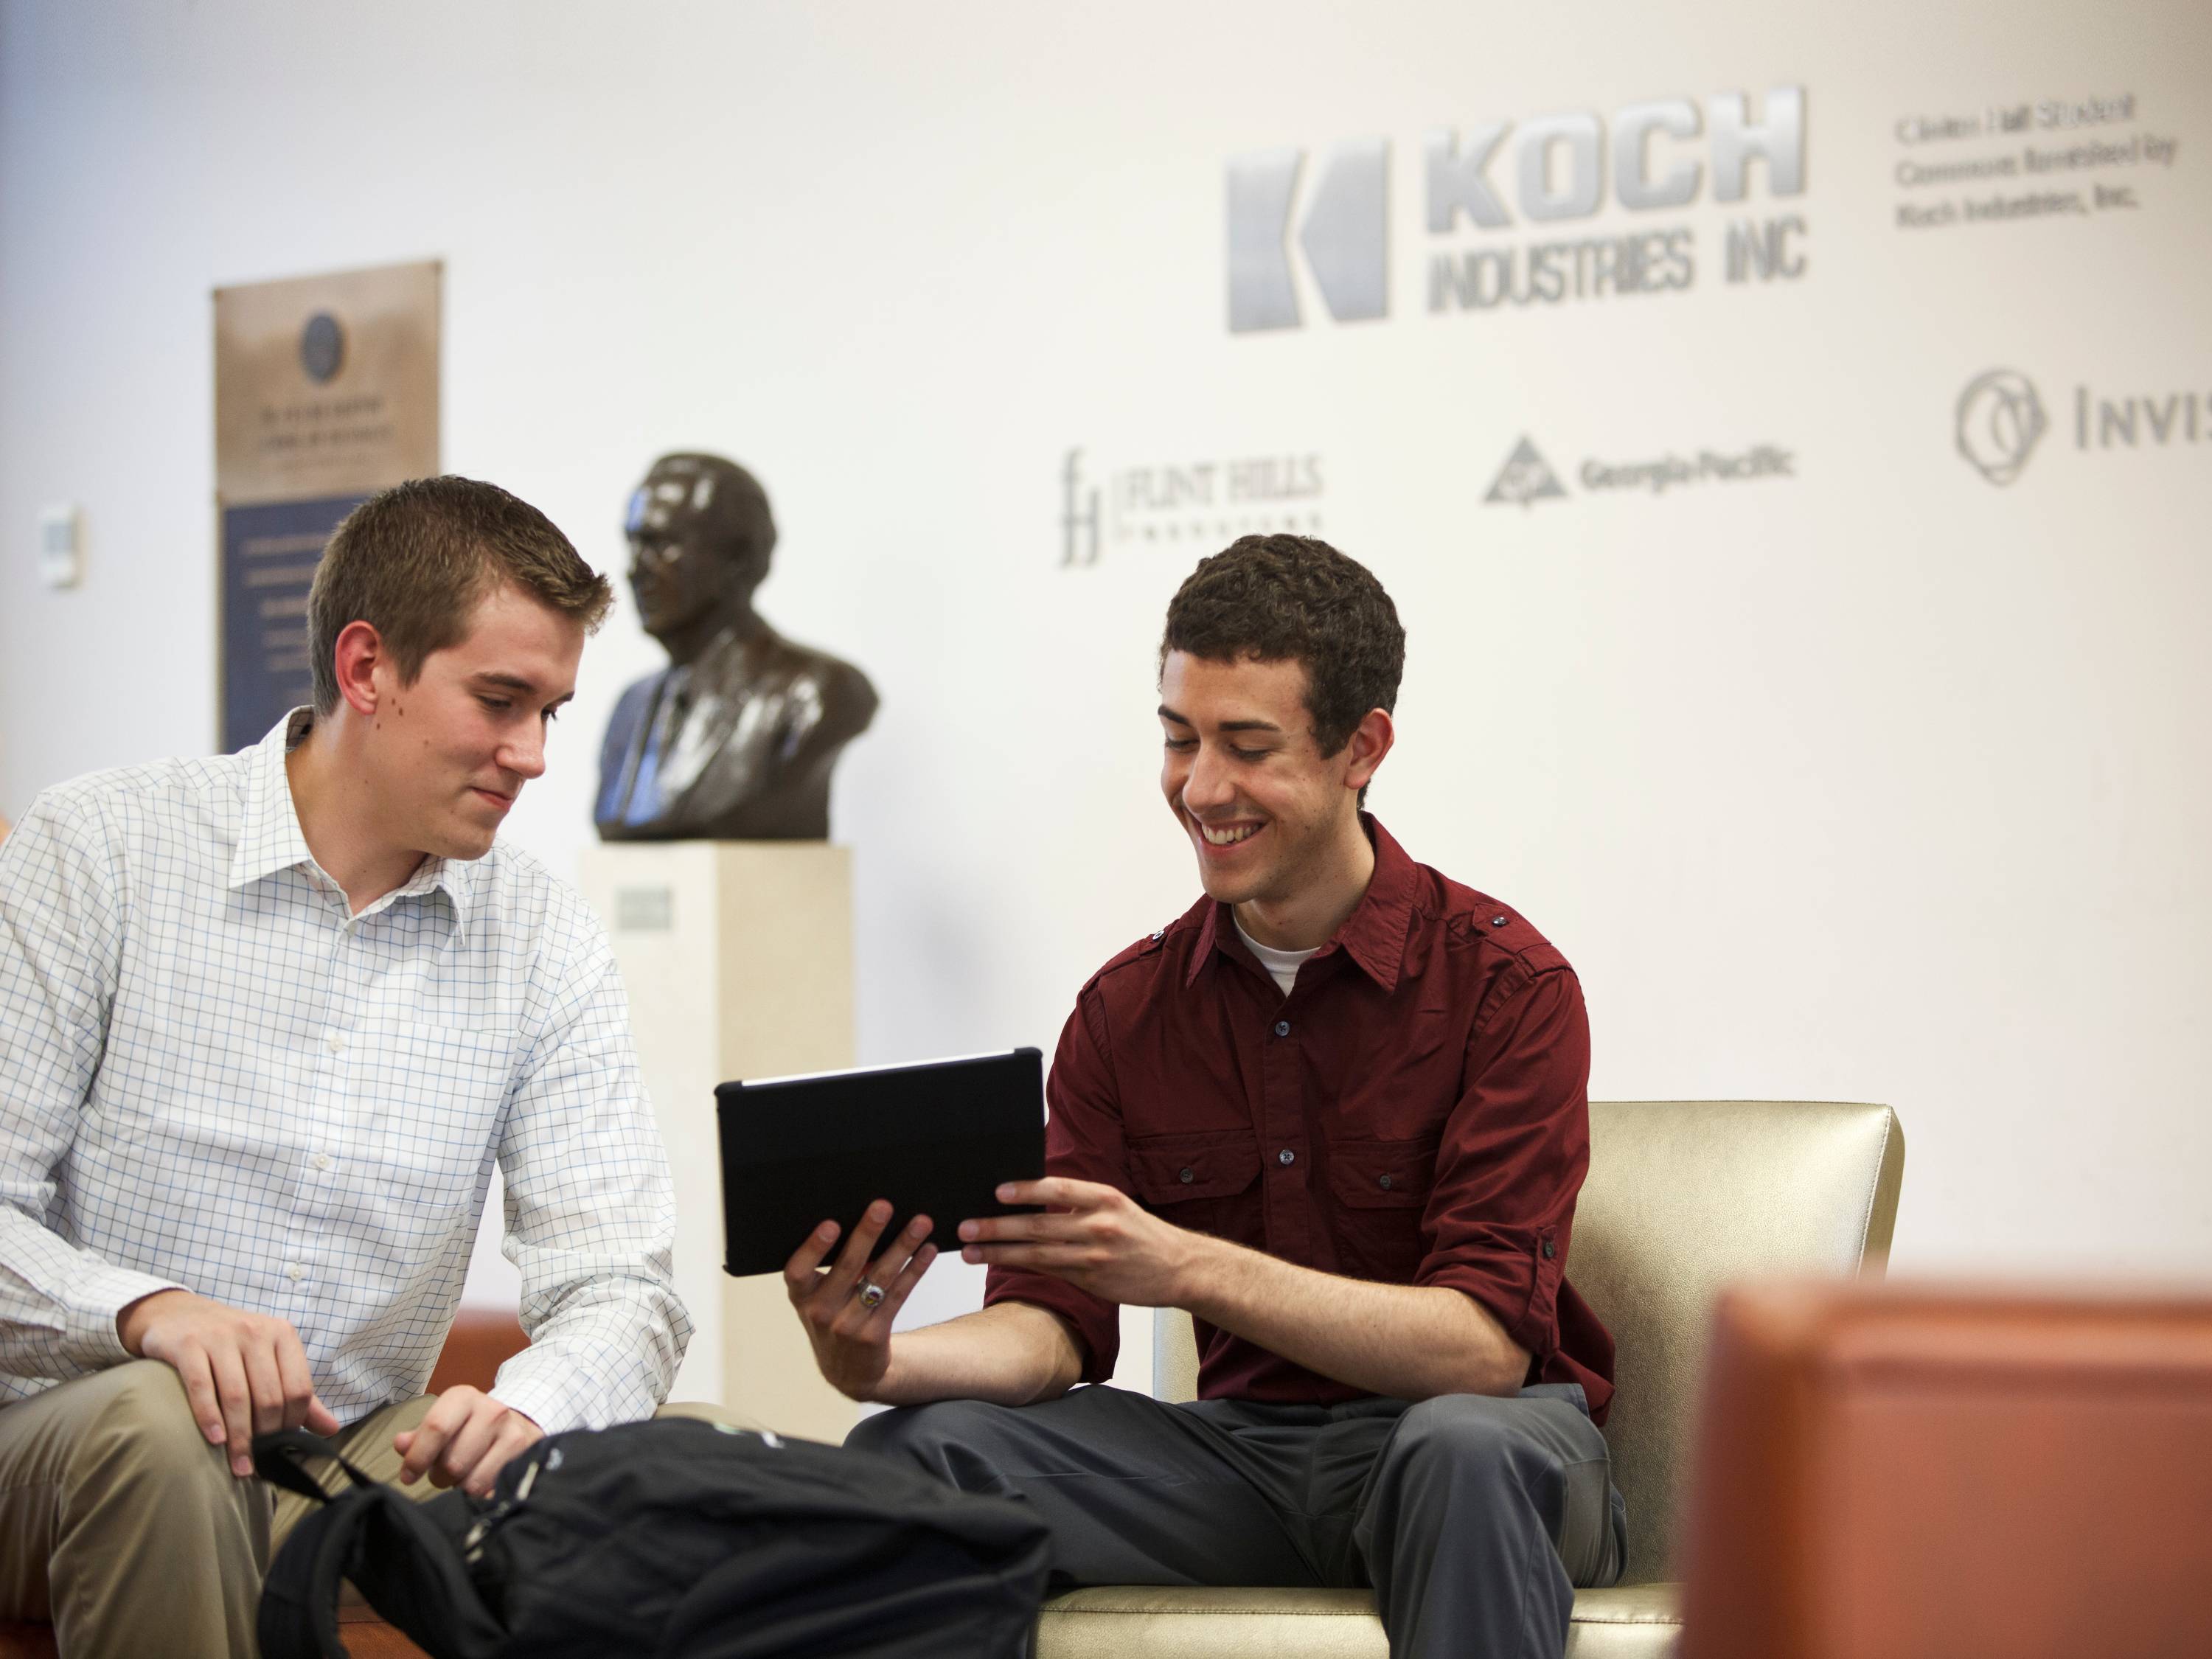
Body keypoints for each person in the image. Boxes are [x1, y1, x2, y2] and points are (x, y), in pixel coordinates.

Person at [786, 535, 1623, 1659]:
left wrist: (1179, 1265)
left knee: (1458, 1449)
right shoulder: (1126, 1012)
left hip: (1494, 1453)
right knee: (915, 1455)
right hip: (1244, 1462)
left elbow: (1478, 1351)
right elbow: (1050, 1325)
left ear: (1360, 748)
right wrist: (881, 1363)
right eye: (1180, 739)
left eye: (1248, 746)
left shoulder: (1506, 987)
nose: (1201, 786)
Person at [0, 476, 691, 1657]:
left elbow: (625, 1285)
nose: (531, 755)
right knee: (162, 1429)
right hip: (69, 1434)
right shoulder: (102, 848)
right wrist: (149, 1313)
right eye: (499, 699)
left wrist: (529, 1406)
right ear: (367, 669)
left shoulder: (542, 936)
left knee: (685, 1484)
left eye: (552, 712)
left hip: (351, 1454)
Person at [594, 451, 878, 840]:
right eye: (633, 544)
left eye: (660, 545)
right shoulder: (631, 707)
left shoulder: (817, 692)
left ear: (738, 559)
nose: (634, 568)